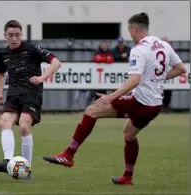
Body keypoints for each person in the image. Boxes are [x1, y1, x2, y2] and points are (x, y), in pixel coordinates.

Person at [43, 12, 186, 185]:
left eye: (129, 30)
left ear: (134, 29)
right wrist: (157, 79)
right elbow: (180, 68)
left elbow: (134, 80)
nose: (130, 34)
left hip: (140, 101)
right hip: (155, 105)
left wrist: (111, 96)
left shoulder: (139, 49)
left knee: (91, 110)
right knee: (129, 134)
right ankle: (127, 177)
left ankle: (68, 155)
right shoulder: (163, 44)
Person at [0, 20, 61, 179]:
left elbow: (56, 62)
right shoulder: (3, 54)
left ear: (21, 35)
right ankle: (8, 162)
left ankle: (27, 169)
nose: (14, 38)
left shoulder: (32, 48)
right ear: (4, 35)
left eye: (17, 35)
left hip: (31, 94)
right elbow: (0, 73)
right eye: (10, 35)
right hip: (13, 94)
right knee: (4, 122)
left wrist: (42, 77)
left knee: (24, 125)